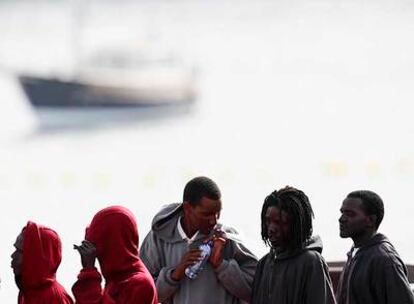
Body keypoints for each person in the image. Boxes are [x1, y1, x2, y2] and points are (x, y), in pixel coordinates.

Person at [140, 176, 257, 304]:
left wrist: (221, 265)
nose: (214, 220)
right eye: (206, 214)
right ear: (187, 208)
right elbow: (143, 295)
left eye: (218, 213)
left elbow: (255, 290)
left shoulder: (226, 239)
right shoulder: (158, 239)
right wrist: (175, 274)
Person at [251, 186, 336, 304]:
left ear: (296, 225)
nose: (271, 228)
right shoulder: (264, 263)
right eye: (268, 221)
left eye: (279, 222)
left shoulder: (311, 262)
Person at [337, 190, 414, 304]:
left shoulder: (385, 260)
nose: (341, 219)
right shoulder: (355, 252)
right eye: (342, 212)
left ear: (370, 220)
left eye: (350, 214)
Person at [72, 205, 158, 304]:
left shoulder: (140, 284)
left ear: (112, 244)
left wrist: (89, 273)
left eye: (98, 244)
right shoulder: (117, 278)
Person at [11, 221, 73, 304]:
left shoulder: (54, 299)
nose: (13, 255)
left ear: (35, 257)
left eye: (20, 251)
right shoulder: (28, 291)